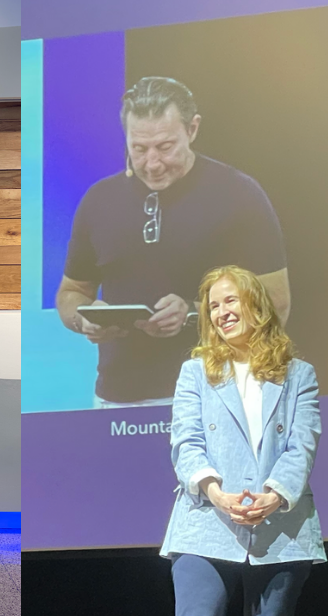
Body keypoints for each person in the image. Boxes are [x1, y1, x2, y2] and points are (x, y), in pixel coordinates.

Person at [159, 265, 325, 616]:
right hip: (207, 520)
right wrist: (215, 490)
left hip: (281, 528)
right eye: (212, 306)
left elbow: (302, 444)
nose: (222, 312)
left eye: (231, 301)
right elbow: (185, 442)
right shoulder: (196, 372)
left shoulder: (299, 373)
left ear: (256, 304)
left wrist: (274, 496)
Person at [56, 77, 289, 407]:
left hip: (218, 396)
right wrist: (83, 318)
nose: (152, 163)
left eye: (165, 147)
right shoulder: (99, 200)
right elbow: (71, 292)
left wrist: (195, 314)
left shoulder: (239, 194)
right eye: (138, 149)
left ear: (192, 130)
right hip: (116, 400)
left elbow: (277, 302)